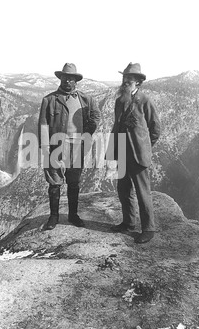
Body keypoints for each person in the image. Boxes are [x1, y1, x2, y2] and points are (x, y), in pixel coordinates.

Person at [38, 63, 101, 230]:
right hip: (55, 146)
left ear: (76, 81)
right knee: (54, 182)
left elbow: (95, 118)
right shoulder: (49, 100)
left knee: (74, 183)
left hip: (76, 147)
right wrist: (44, 146)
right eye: (64, 78)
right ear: (60, 79)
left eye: (71, 79)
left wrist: (86, 135)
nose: (67, 81)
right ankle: (54, 217)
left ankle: (73, 215)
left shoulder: (86, 100)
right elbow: (43, 124)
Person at [106, 62, 161, 243]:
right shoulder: (120, 101)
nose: (126, 81)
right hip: (122, 152)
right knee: (123, 189)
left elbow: (155, 129)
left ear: (138, 82)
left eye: (130, 79)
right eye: (125, 78)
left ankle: (148, 228)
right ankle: (128, 223)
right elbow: (117, 126)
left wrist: (144, 146)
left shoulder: (145, 101)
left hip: (138, 155)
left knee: (142, 192)